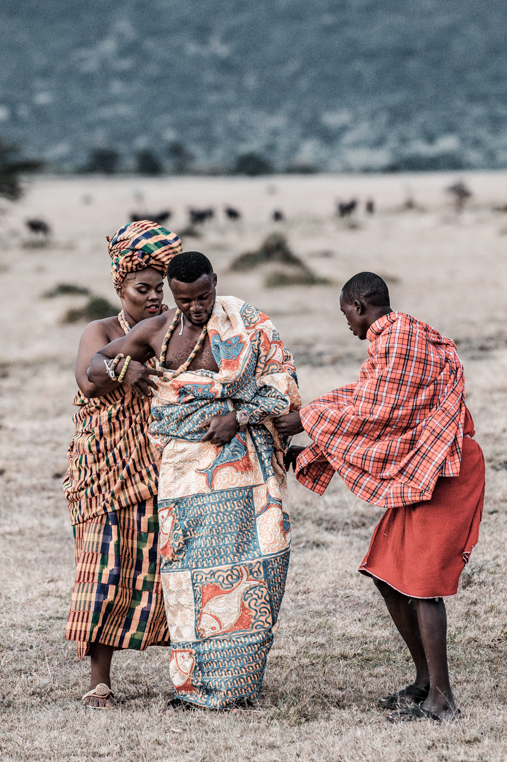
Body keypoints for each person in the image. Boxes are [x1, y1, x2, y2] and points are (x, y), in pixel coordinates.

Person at [89, 251, 300, 710]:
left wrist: (238, 417)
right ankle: (193, 686)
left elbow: (282, 382)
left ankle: (237, 684)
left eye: (204, 296)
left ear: (215, 284)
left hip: (244, 464)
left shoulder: (247, 320)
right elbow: (94, 367)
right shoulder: (157, 329)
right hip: (182, 470)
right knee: (187, 575)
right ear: (174, 295)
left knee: (258, 567)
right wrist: (126, 369)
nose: (197, 307)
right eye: (186, 300)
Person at [275, 272, 485, 722]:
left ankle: (442, 700)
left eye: (345, 315)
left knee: (423, 586)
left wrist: (308, 419)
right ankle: (425, 680)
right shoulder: (392, 340)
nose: (346, 325)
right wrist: (311, 439)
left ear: (358, 307)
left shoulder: (399, 338)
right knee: (387, 574)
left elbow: (375, 412)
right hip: (425, 468)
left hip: (446, 466)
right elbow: (370, 403)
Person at [63, 220, 182, 709]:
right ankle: (100, 681)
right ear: (120, 286)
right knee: (104, 568)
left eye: (160, 288)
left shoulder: (175, 326)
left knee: (171, 569)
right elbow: (88, 380)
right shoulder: (102, 331)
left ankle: (191, 673)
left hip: (161, 467)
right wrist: (120, 367)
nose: (154, 298)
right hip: (105, 470)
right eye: (142, 289)